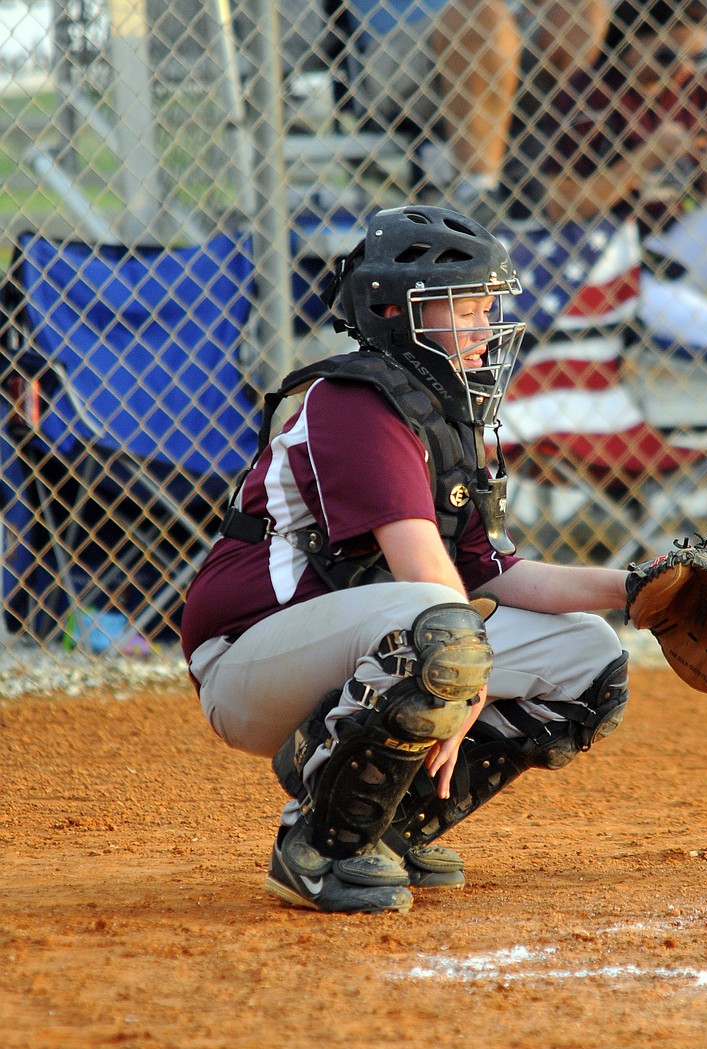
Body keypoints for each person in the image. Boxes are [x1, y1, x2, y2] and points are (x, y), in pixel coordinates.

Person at [180, 205, 631, 915]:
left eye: (489, 306)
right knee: (442, 629)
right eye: (468, 308)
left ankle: (387, 821)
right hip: (249, 657)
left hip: (368, 644)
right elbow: (425, 568)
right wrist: (468, 675)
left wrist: (635, 588)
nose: (488, 326)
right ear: (393, 311)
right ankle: (321, 842)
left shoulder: (446, 415)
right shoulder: (356, 401)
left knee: (590, 657)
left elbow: (492, 573)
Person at [526, 0, 707, 419]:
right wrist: (643, 159)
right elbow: (561, 205)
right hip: (608, 268)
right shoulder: (588, 93)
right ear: (631, 42)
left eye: (694, 55)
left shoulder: (696, 91)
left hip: (672, 252)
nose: (682, 67)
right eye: (667, 55)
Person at [345, 0, 610, 219]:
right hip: (403, 42)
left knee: (582, 9)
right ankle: (478, 195)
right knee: (480, 15)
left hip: (513, 27)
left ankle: (569, 169)